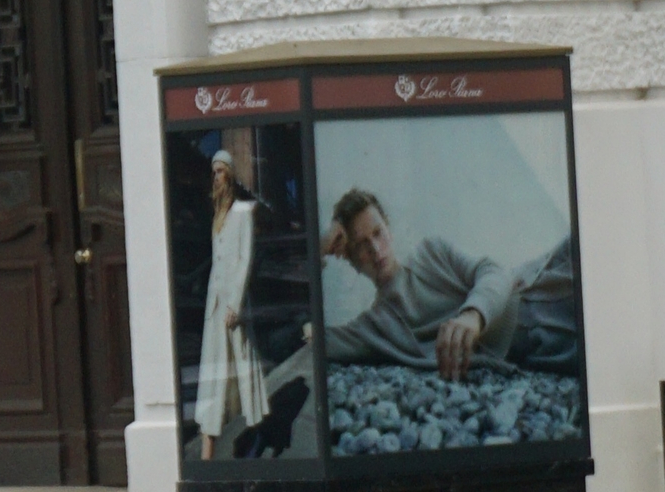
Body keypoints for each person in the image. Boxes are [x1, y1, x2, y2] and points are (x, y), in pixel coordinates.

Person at [316, 188, 514, 382]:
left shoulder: (433, 254)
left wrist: (473, 315)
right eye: (361, 244)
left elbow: (494, 271)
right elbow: (312, 342)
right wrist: (319, 249)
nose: (375, 250)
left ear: (389, 229)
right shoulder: (375, 327)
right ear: (351, 259)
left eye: (378, 233)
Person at [194, 149, 268, 460]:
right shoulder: (217, 215)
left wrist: (235, 305)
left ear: (231, 177)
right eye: (214, 172)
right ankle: (207, 448)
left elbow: (245, 259)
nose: (216, 178)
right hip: (215, 304)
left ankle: (257, 429)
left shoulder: (241, 212)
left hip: (232, 307)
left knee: (244, 365)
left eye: (221, 172)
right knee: (212, 373)